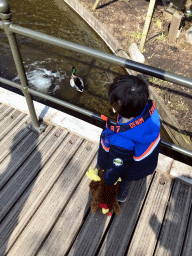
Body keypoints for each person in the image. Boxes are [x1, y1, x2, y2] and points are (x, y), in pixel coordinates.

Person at [97, 75, 161, 202]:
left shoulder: (121, 141)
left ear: (116, 106)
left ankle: (121, 197)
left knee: (123, 181)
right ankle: (122, 194)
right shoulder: (150, 112)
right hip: (146, 163)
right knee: (126, 179)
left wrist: (108, 179)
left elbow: (117, 166)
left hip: (130, 170)